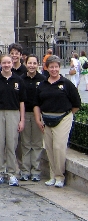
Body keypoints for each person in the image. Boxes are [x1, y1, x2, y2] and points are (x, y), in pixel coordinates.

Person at [34, 55, 81, 188]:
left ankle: (60, 176)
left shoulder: (67, 84)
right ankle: (52, 175)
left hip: (63, 118)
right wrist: (38, 119)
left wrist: (66, 116)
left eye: (56, 67)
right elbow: (36, 103)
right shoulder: (42, 85)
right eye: (51, 67)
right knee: (49, 148)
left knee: (59, 147)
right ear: (47, 68)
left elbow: (76, 103)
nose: (54, 69)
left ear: (59, 68)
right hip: (47, 119)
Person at [0, 54, 26, 186]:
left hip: (13, 113)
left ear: (12, 63)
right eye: (4, 63)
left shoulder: (18, 80)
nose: (6, 65)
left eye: (8, 63)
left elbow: (21, 102)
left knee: (11, 143)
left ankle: (12, 172)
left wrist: (21, 120)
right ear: (0, 64)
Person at [19, 54, 45, 182]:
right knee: (25, 143)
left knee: (37, 143)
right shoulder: (21, 79)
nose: (32, 66)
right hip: (24, 113)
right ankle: (25, 170)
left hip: (38, 114)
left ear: (38, 64)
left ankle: (35, 170)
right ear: (26, 64)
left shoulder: (43, 79)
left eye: (34, 63)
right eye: (30, 63)